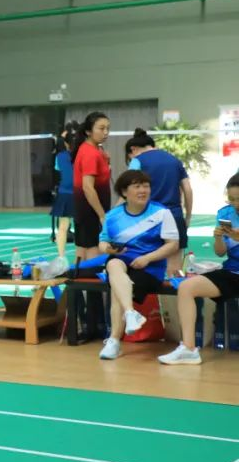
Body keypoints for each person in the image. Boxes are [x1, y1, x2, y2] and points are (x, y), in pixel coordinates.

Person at [97, 170, 179, 360]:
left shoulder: (161, 213)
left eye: (146, 186)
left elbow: (173, 245)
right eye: (137, 186)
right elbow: (102, 242)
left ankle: (114, 341)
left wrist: (148, 258)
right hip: (122, 261)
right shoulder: (113, 216)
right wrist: (109, 249)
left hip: (150, 267)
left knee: (117, 289)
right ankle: (130, 313)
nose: (143, 190)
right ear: (124, 192)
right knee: (113, 264)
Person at [159, 173, 239, 365]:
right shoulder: (225, 214)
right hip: (233, 271)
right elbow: (220, 252)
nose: (236, 204)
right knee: (186, 287)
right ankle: (188, 349)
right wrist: (219, 238)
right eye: (232, 199)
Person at [125, 129, 193, 277]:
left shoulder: (137, 161)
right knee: (175, 270)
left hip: (148, 219)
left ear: (133, 149)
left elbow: (129, 190)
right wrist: (188, 216)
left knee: (146, 268)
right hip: (175, 216)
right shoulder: (174, 160)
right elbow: (187, 189)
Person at [73, 112, 112, 261]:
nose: (106, 132)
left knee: (82, 251)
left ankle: (78, 276)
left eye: (108, 128)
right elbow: (88, 188)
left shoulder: (91, 149)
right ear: (88, 131)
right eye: (101, 128)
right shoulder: (91, 154)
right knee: (93, 254)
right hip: (91, 212)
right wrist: (102, 216)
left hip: (84, 210)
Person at [51, 123, 77, 258]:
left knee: (62, 227)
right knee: (81, 227)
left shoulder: (59, 156)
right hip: (80, 192)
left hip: (65, 193)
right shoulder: (83, 154)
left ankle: (61, 257)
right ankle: (82, 257)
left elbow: (59, 169)